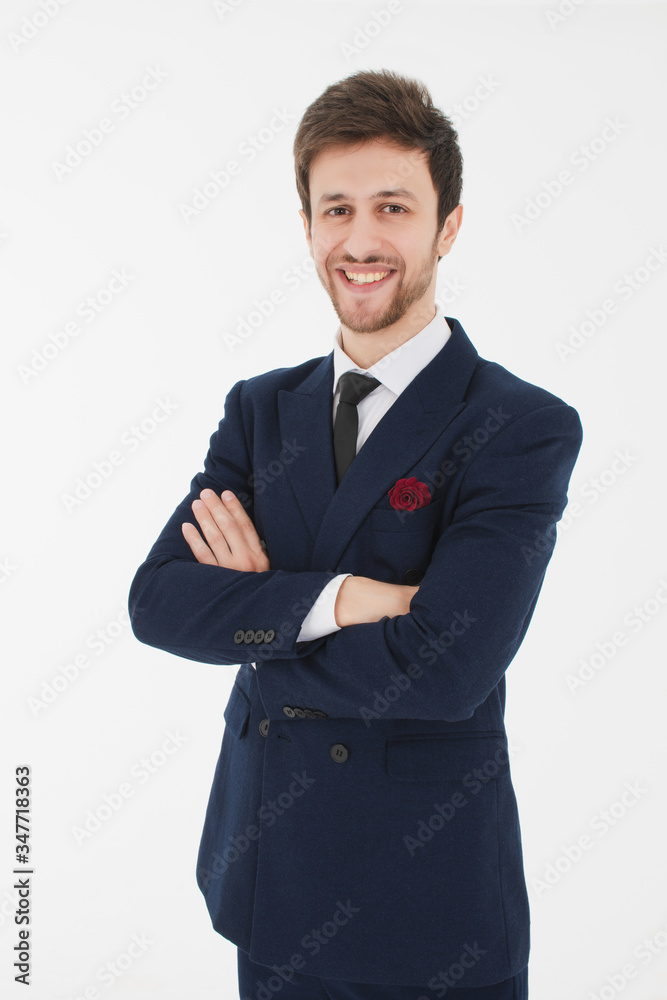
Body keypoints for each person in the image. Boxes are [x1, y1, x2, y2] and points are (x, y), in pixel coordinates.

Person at [128, 68, 583, 1000]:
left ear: (447, 227)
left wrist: (259, 624)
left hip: (429, 902)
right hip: (270, 874)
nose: (361, 240)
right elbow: (159, 603)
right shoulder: (261, 411)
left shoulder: (519, 424)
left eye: (392, 207)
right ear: (307, 227)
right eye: (335, 209)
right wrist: (346, 600)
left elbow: (448, 669)